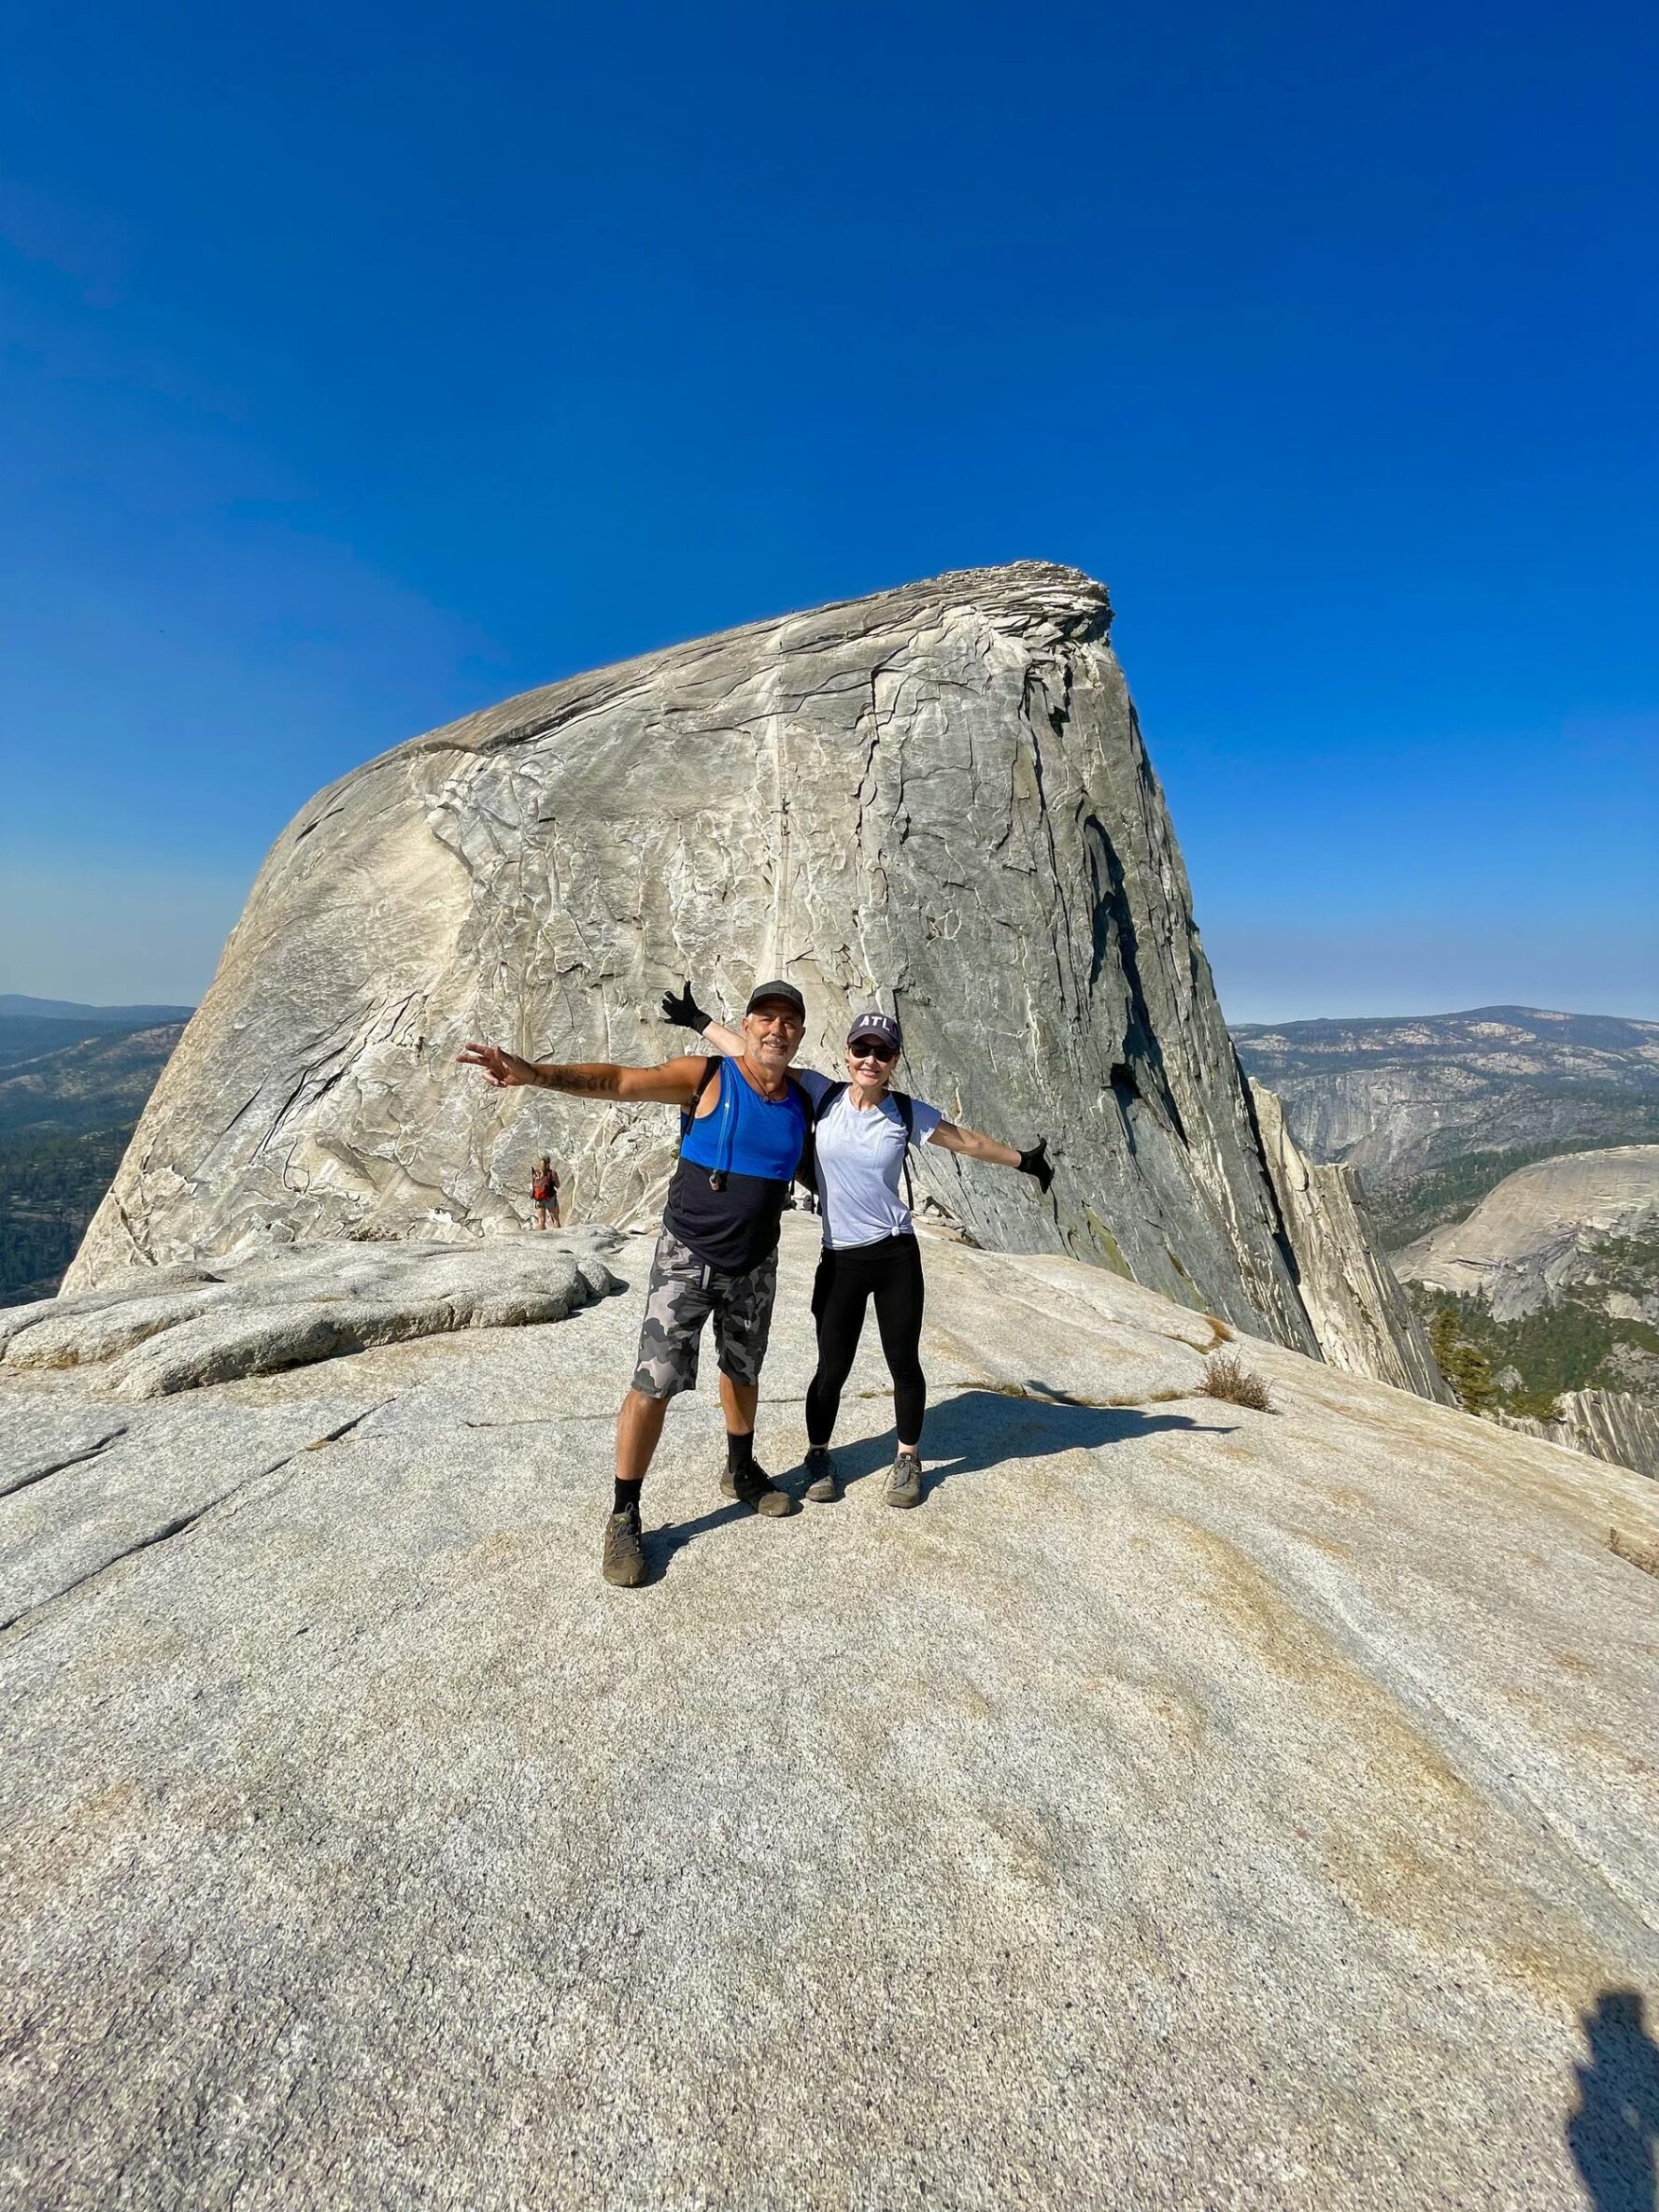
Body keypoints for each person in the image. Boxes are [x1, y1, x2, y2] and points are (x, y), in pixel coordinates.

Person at [456, 983, 813, 1590]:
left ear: (799, 1034)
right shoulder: (707, 1079)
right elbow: (621, 1081)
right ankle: (624, 1513)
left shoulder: (803, 1097)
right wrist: (534, 1074)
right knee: (654, 1383)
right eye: (765, 1018)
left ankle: (740, 1469)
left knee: (743, 1370)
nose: (776, 1030)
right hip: (688, 1259)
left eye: (788, 1022)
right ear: (747, 1025)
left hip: (756, 1263)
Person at [662, 985, 1054, 1509]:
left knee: (903, 1362)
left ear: (893, 1062)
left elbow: (966, 1141)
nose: (871, 1060)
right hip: (840, 1257)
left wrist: (1024, 1160)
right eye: (862, 1049)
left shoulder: (907, 1112)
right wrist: (700, 1021)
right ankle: (819, 1455)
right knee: (831, 1367)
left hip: (895, 1255)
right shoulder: (821, 1093)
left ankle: (908, 1459)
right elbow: (751, 1055)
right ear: (848, 1054)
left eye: (882, 1052)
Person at [531, 1155, 561, 1230]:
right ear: (548, 1163)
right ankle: (559, 1239)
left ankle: (541, 1240)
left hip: (538, 1199)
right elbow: (558, 1185)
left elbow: (533, 1185)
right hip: (550, 1198)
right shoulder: (552, 1173)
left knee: (541, 1221)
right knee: (555, 1219)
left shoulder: (536, 1173)